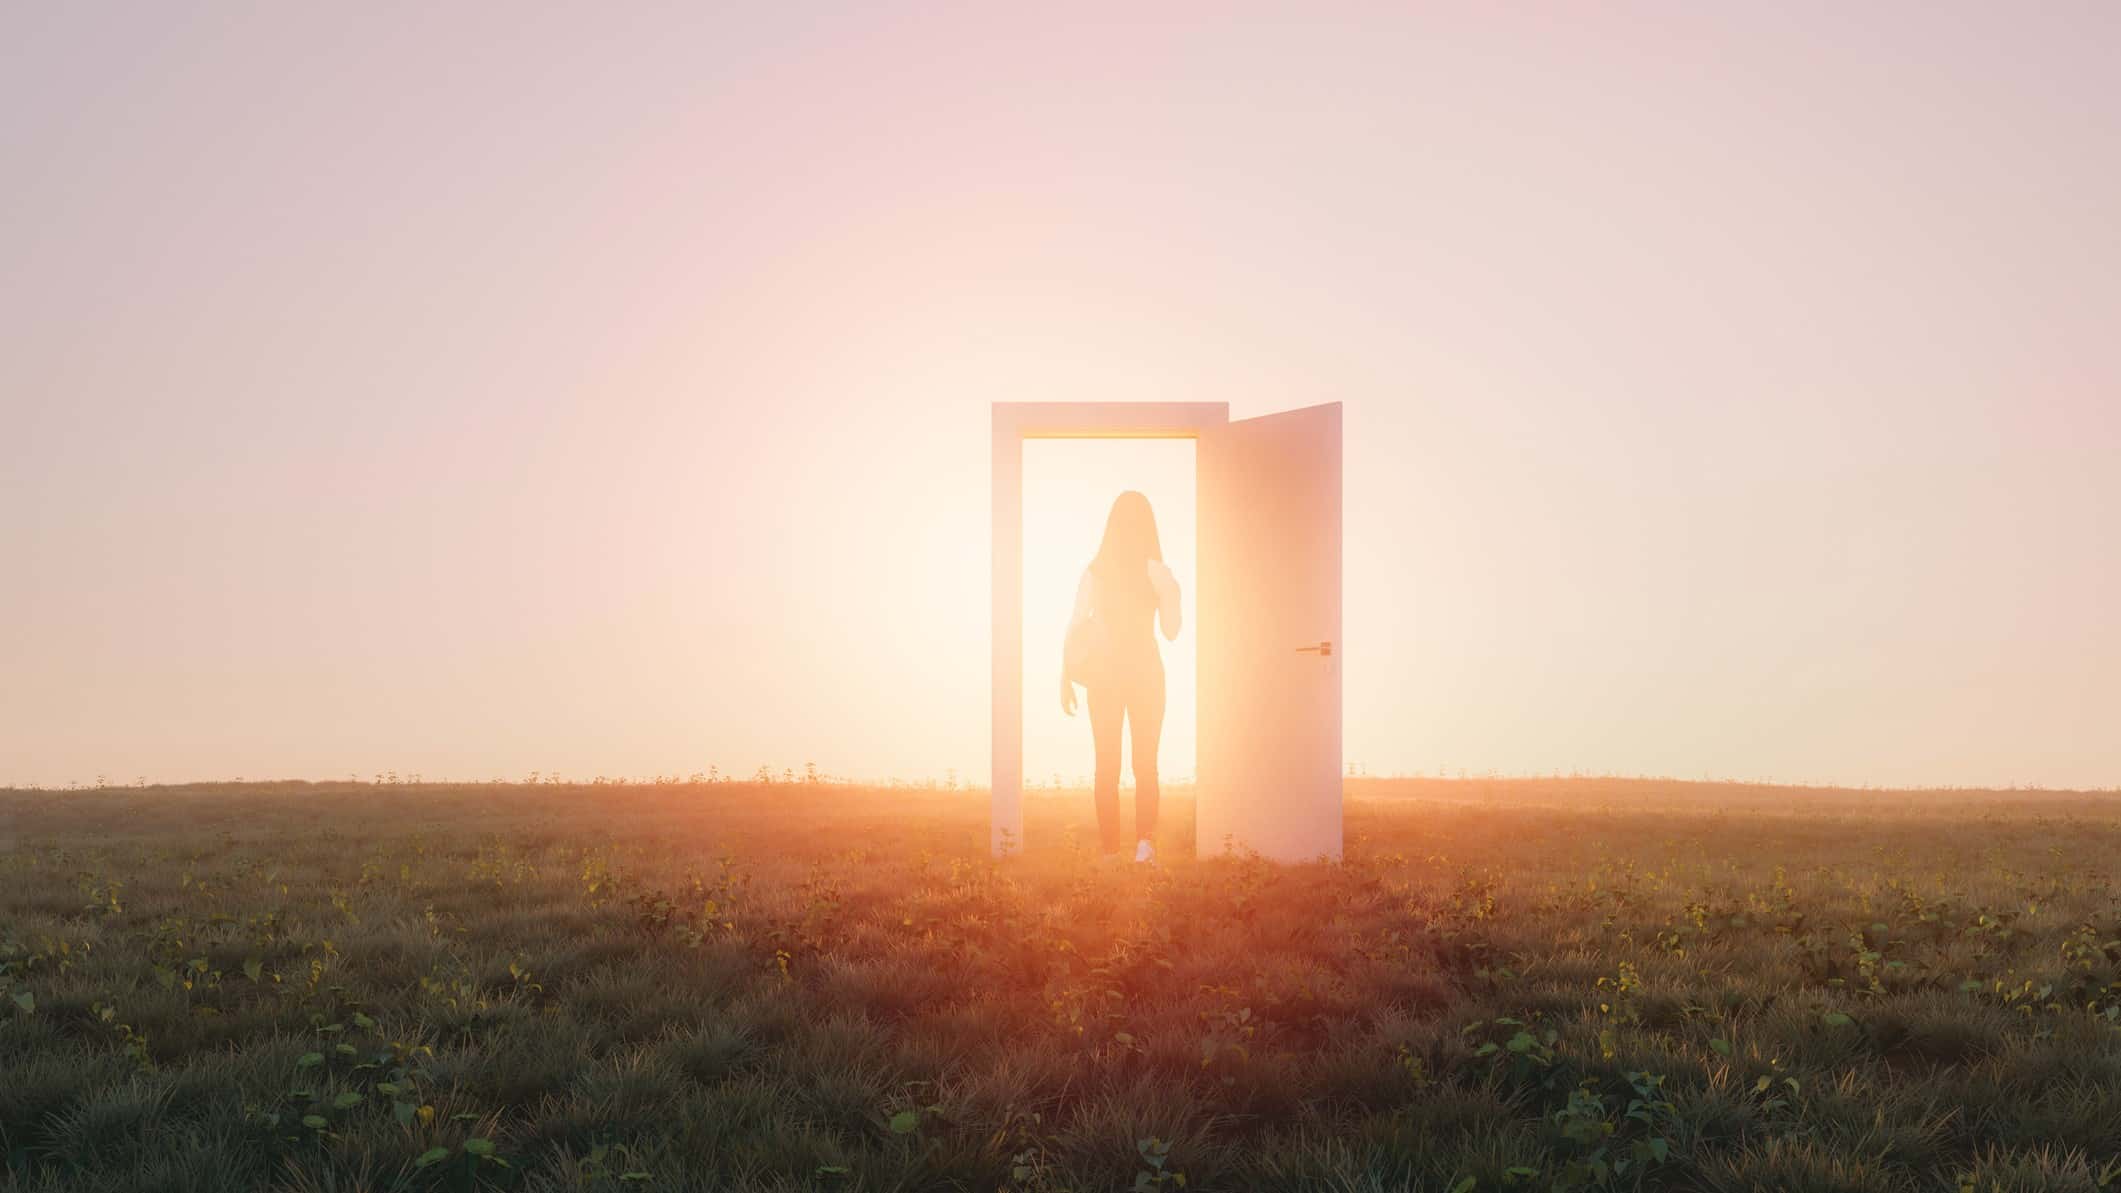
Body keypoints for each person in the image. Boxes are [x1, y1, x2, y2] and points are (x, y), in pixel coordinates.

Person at [1061, 491, 1182, 863]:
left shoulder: (1094, 571)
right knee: (1146, 764)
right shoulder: (1157, 571)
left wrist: (1064, 677)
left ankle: (1111, 850)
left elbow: (1076, 627)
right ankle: (1144, 846)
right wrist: (1169, 592)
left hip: (1104, 677)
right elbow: (1172, 631)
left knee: (1106, 765)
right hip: (1146, 673)